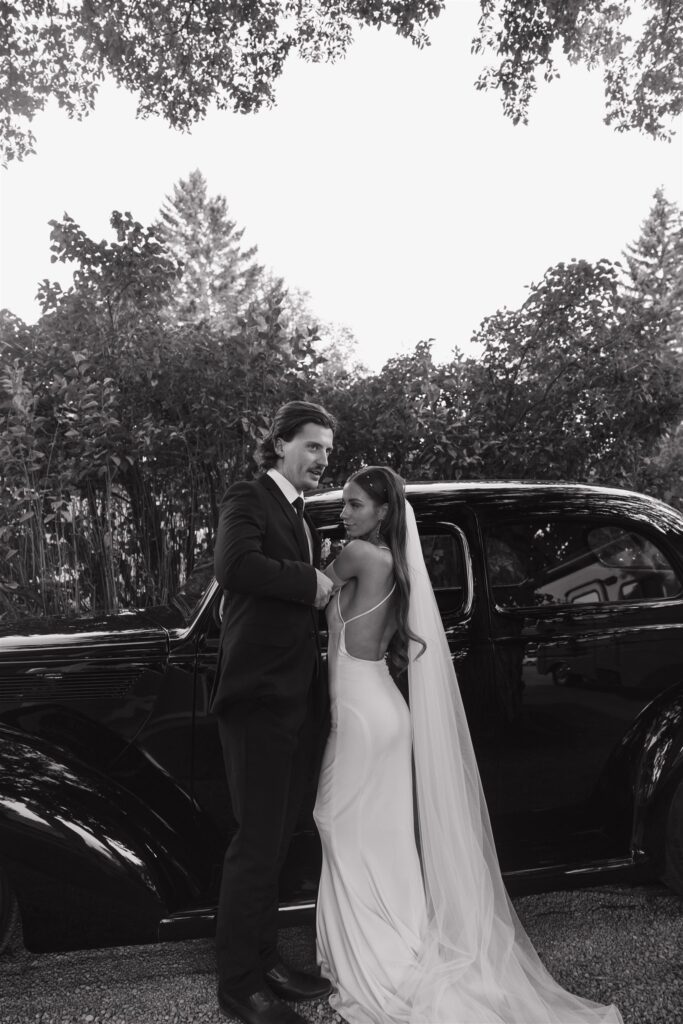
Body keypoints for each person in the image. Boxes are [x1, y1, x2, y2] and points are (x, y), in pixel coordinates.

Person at [314, 465, 624, 1024]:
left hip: (363, 714)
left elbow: (313, 589)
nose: (345, 513)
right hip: (381, 708)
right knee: (377, 833)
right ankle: (394, 936)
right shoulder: (392, 562)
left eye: (355, 504)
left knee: (339, 821)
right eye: (345, 504)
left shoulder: (361, 556)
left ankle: (377, 953)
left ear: (384, 512)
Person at [211, 400, 336, 1024]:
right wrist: (306, 580)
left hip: (294, 700)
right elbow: (233, 566)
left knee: (278, 840)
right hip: (257, 699)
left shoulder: (300, 515)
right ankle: (239, 987)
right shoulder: (249, 495)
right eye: (312, 446)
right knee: (255, 845)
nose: (321, 459)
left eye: (326, 451)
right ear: (282, 444)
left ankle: (267, 964)